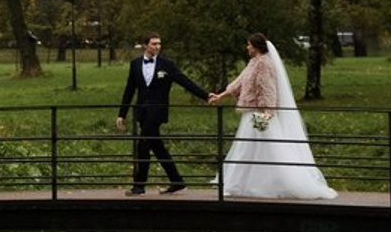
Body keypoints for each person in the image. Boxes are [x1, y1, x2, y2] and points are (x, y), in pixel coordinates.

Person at [208, 34, 337, 200]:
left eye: (249, 45)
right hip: (251, 111)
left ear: (256, 46)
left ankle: (241, 184)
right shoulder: (254, 62)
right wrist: (221, 95)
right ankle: (240, 183)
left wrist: (267, 111)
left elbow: (267, 88)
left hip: (259, 113)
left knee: (253, 149)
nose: (247, 48)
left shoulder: (264, 64)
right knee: (250, 149)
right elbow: (239, 82)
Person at [116, 33, 210, 194]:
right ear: (145, 45)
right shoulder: (135, 64)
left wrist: (206, 95)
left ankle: (139, 185)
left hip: (157, 112)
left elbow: (184, 81)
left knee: (143, 144)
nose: (157, 47)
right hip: (143, 112)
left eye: (159, 44)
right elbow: (130, 89)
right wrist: (122, 114)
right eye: (154, 44)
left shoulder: (167, 65)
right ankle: (177, 181)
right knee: (157, 147)